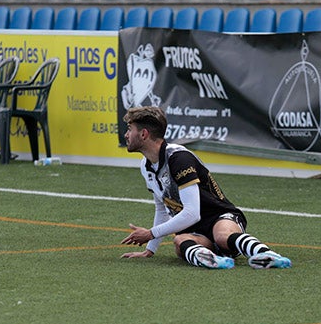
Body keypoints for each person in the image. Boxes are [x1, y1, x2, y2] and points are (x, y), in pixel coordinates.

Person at [119, 106, 292, 270]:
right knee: (180, 242)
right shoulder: (146, 166)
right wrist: (150, 250)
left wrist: (150, 233)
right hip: (196, 231)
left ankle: (268, 255)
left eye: (129, 129)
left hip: (220, 217)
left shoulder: (179, 158)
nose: (126, 135)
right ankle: (214, 261)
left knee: (222, 237)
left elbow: (192, 213)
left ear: (143, 134)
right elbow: (162, 209)